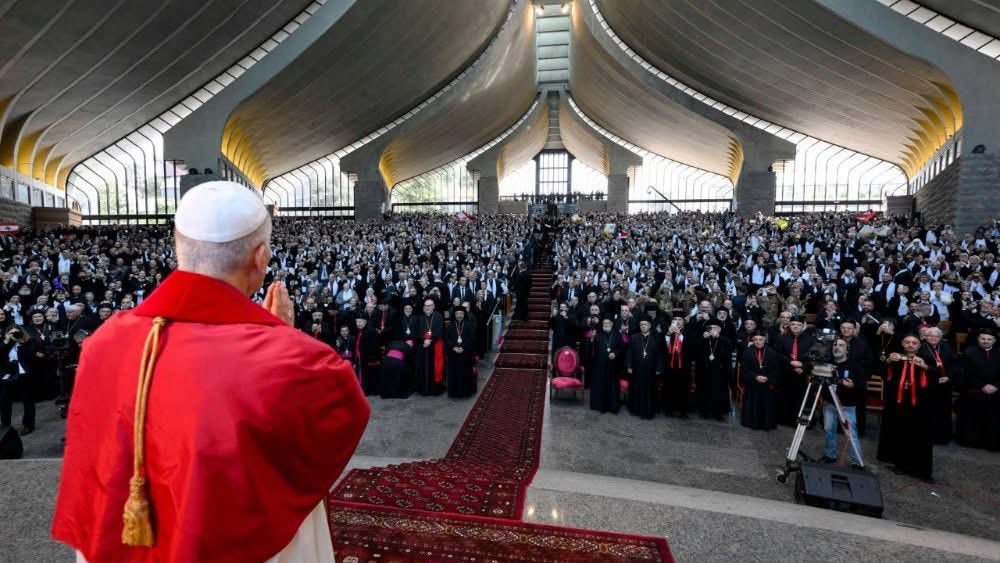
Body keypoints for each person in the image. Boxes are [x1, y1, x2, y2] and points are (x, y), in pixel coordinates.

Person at [52, 182, 370, 562]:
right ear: (261, 258)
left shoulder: (103, 341)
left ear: (178, 247)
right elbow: (340, 417)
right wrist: (282, 337)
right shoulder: (291, 359)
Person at [877, 333, 938, 481]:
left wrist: (924, 366)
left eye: (914, 343)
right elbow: (882, 374)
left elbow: (937, 378)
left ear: (919, 345)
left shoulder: (927, 358)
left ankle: (922, 471)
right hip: (898, 405)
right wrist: (888, 362)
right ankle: (900, 465)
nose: (910, 345)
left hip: (920, 407)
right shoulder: (896, 358)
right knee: (900, 435)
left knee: (920, 438)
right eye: (907, 342)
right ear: (902, 344)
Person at [820, 338, 864, 468]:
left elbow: (862, 385)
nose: (837, 347)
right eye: (835, 344)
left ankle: (857, 462)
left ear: (847, 349)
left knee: (850, 434)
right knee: (829, 430)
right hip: (829, 404)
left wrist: (852, 385)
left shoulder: (855, 366)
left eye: (841, 345)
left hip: (847, 406)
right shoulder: (827, 363)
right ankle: (830, 454)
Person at [957, 330, 1000, 451]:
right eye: (983, 338)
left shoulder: (999, 353)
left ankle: (992, 442)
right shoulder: (968, 352)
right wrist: (982, 385)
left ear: (994, 341)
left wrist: (996, 386)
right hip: (974, 389)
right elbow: (964, 373)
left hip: (996, 391)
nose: (986, 341)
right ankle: (972, 441)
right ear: (978, 339)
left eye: (989, 339)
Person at [921, 326, 959, 445]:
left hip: (945, 385)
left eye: (936, 336)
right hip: (929, 385)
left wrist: (949, 376)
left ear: (940, 337)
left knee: (943, 411)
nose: (933, 338)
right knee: (928, 411)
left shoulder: (947, 347)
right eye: (930, 336)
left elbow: (955, 364)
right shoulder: (921, 348)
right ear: (926, 337)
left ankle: (942, 437)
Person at [0, 324, 39, 434]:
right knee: (4, 401)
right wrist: (6, 341)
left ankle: (28, 425)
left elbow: (31, 355)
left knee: (27, 401)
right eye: (11, 333)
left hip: (24, 375)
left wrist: (21, 342)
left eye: (17, 332)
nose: (14, 335)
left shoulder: (29, 342)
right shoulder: (5, 344)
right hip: (8, 375)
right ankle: (5, 427)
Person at [776, 317, 814, 426]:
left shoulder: (810, 340)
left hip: (803, 375)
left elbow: (813, 357)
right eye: (793, 324)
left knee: (801, 398)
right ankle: (785, 420)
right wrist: (790, 362)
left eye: (798, 324)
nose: (795, 326)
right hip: (786, 373)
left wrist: (803, 367)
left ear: (803, 326)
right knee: (785, 398)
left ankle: (799, 421)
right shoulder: (782, 338)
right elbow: (777, 354)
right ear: (789, 325)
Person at [741, 332, 780, 430]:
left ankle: (766, 424)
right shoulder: (747, 352)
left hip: (767, 385)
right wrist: (755, 376)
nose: (758, 342)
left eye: (760, 339)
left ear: (765, 340)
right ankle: (752, 423)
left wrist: (768, 378)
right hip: (752, 384)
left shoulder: (772, 352)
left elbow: (776, 370)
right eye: (755, 339)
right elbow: (745, 369)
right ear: (753, 340)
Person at [696, 319, 732, 420]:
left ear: (720, 329)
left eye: (715, 328)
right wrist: (702, 338)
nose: (712, 330)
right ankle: (705, 412)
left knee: (718, 392)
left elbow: (729, 349)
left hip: (719, 370)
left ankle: (718, 413)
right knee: (705, 390)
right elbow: (696, 351)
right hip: (705, 369)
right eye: (710, 328)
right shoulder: (704, 338)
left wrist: (719, 337)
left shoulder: (724, 340)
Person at [625, 318, 661, 419]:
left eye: (645, 324)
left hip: (650, 369)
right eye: (641, 325)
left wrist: (658, 368)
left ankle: (649, 410)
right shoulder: (634, 337)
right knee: (636, 388)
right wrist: (629, 365)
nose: (643, 326)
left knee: (649, 389)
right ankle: (635, 409)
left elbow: (659, 354)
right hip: (637, 368)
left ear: (649, 326)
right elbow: (629, 352)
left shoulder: (655, 338)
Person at [588, 316, 624, 414]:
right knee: (600, 384)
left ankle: (612, 407)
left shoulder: (617, 335)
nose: (606, 325)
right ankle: (600, 406)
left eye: (608, 323)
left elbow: (621, 349)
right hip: (599, 365)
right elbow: (591, 349)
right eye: (604, 323)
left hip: (613, 366)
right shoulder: (598, 335)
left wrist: (615, 353)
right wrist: (592, 338)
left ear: (612, 324)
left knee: (612, 385)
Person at [413, 298, 444, 395]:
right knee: (422, 368)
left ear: (433, 306)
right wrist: (424, 340)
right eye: (426, 306)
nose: (428, 307)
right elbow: (416, 332)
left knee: (434, 368)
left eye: (430, 305)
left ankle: (433, 389)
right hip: (422, 346)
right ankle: (423, 389)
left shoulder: (438, 316)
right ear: (423, 307)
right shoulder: (419, 317)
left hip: (434, 346)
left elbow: (439, 331)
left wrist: (430, 341)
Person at [445, 307, 477, 398]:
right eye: (457, 314)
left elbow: (472, 339)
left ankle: (466, 392)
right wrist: (454, 347)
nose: (459, 315)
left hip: (465, 354)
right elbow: (447, 339)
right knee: (454, 373)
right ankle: (454, 392)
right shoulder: (450, 326)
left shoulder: (469, 325)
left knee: (465, 373)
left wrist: (463, 347)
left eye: (461, 314)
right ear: (454, 315)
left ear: (464, 315)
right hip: (453, 354)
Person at [662, 317, 691, 417]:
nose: (677, 321)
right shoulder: (668, 331)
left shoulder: (688, 332)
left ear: (683, 322)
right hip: (670, 366)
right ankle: (669, 409)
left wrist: (680, 334)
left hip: (683, 366)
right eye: (675, 319)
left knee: (683, 388)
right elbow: (663, 347)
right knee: (669, 388)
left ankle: (683, 411)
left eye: (680, 319)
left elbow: (690, 347)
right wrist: (668, 334)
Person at [354, 316, 381, 395]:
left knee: (369, 374)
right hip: (361, 356)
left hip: (369, 358)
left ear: (365, 322)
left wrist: (370, 358)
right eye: (357, 322)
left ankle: (369, 390)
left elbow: (374, 346)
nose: (358, 324)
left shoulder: (371, 331)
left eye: (360, 322)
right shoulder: (359, 331)